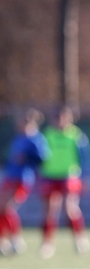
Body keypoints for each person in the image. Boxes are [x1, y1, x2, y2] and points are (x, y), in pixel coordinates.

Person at [38, 106, 90, 258]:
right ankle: (47, 243)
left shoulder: (76, 135)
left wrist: (86, 176)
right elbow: (39, 155)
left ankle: (79, 239)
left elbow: (85, 157)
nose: (59, 121)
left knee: (70, 208)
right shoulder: (47, 135)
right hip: (49, 175)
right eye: (56, 118)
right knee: (49, 211)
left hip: (69, 175)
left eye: (62, 118)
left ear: (69, 118)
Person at [0, 108, 49, 256]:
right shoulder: (19, 137)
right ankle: (4, 241)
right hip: (10, 176)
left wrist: (27, 158)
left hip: (22, 178)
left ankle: (16, 240)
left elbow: (43, 158)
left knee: (6, 208)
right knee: (2, 209)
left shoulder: (35, 138)